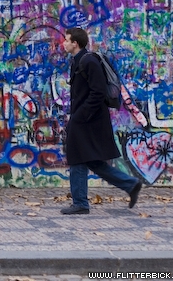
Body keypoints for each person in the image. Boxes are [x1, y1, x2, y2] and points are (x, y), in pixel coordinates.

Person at [61, 27, 142, 214]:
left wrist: (81, 116)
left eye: (66, 40)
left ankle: (80, 203)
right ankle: (130, 185)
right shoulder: (79, 61)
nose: (64, 43)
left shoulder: (89, 61)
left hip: (89, 120)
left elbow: (98, 92)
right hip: (85, 118)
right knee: (92, 161)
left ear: (75, 43)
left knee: (78, 158)